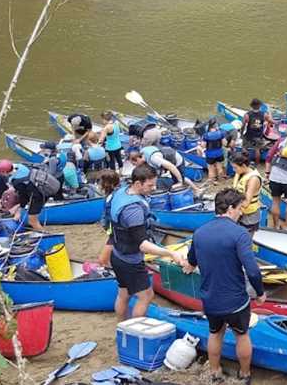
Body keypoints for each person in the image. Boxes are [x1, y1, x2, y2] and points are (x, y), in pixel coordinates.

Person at [180, 188, 265, 385]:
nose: (242, 212)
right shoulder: (240, 234)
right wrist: (260, 293)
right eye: (240, 208)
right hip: (236, 300)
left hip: (210, 299)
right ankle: (244, 375)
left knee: (215, 333)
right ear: (230, 209)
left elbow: (191, 262)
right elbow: (252, 270)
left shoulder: (199, 233)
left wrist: (186, 265)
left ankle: (215, 372)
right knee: (242, 335)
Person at [111, 164, 184, 319]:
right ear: (138, 184)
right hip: (130, 260)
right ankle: (136, 331)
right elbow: (142, 245)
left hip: (117, 254)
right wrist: (170, 253)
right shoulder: (133, 210)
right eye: (150, 185)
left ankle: (122, 325)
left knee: (124, 293)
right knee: (146, 296)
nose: (154, 187)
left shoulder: (122, 191)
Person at [11, 162, 61, 231]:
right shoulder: (22, 167)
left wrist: (21, 207)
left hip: (38, 196)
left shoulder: (16, 181)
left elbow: (23, 196)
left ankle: (45, 236)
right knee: (33, 218)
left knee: (32, 221)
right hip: (43, 190)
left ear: (4, 172)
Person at [129, 145, 199, 193]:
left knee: (180, 178)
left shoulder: (154, 158)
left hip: (176, 160)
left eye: (134, 164)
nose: (135, 166)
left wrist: (180, 181)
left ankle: (196, 190)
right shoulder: (142, 152)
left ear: (138, 159)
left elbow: (172, 167)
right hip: (165, 158)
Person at [230, 152, 264, 233]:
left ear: (244, 166)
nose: (233, 170)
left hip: (249, 215)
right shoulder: (240, 172)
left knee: (246, 239)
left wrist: (230, 202)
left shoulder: (253, 179)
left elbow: (246, 203)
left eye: (235, 168)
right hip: (238, 211)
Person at [96, 169, 122, 266]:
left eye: (99, 182)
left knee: (102, 261)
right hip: (115, 232)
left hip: (117, 233)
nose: (98, 185)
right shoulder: (112, 195)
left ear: (106, 184)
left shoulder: (114, 197)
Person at [242, 98, 274, 165]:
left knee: (244, 148)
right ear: (259, 106)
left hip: (249, 135)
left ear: (251, 106)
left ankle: (245, 163)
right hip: (259, 136)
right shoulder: (264, 115)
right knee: (257, 150)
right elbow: (271, 122)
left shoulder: (247, 115)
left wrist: (241, 134)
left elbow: (243, 126)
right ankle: (257, 164)